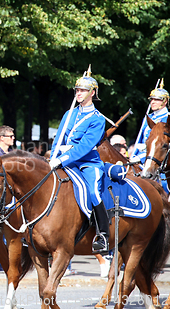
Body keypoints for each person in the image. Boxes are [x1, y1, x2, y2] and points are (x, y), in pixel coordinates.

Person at [49, 66, 109, 254]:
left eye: (83, 90)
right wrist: (52, 158)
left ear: (93, 93)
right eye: (77, 90)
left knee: (93, 193)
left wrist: (62, 159)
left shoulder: (98, 119)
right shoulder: (70, 114)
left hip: (87, 162)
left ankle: (103, 235)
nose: (79, 93)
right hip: (64, 161)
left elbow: (84, 147)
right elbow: (58, 139)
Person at [131, 79, 169, 164]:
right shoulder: (148, 117)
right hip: (140, 155)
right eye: (152, 99)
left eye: (156, 100)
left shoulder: (167, 118)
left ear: (165, 101)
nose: (152, 102)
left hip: (158, 160)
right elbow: (140, 139)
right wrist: (134, 155)